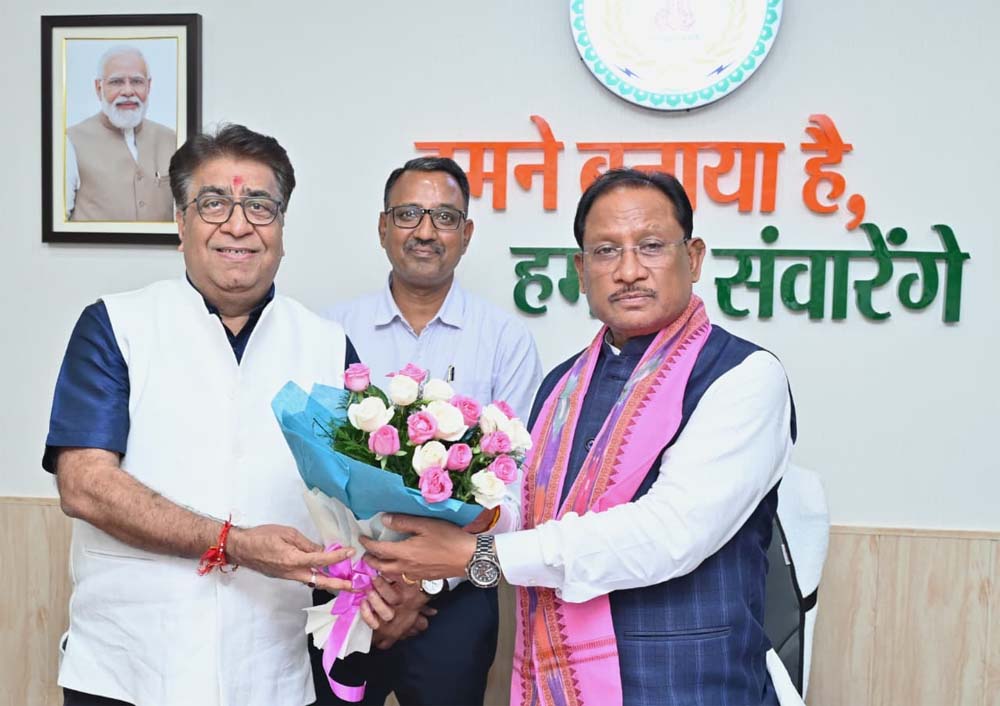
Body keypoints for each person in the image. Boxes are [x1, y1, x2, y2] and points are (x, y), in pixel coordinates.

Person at [358, 169, 799, 706]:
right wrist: (460, 531)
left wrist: (477, 553)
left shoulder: (744, 376)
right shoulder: (562, 386)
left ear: (694, 257)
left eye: (651, 246)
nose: (629, 271)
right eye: (606, 251)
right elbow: (525, 511)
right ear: (581, 271)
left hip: (689, 684)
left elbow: (669, 534)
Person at [44, 124, 362, 706]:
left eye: (260, 206)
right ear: (180, 222)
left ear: (282, 228)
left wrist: (385, 581)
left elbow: (352, 501)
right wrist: (231, 542)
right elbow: (84, 485)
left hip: (272, 668)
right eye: (214, 203)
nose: (238, 225)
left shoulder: (327, 346)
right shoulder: (116, 326)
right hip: (127, 666)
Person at [319, 156, 543, 705]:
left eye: (444, 217)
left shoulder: (505, 340)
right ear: (383, 227)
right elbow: (313, 470)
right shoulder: (330, 331)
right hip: (348, 586)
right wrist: (369, 584)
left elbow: (515, 486)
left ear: (466, 234)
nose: (425, 231)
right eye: (408, 214)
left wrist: (421, 584)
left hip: (458, 597)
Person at [66, 45, 176, 222]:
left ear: (148, 86)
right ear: (99, 88)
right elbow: (56, 224)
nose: (127, 91)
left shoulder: (172, 139)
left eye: (137, 81)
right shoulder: (70, 141)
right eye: (116, 82)